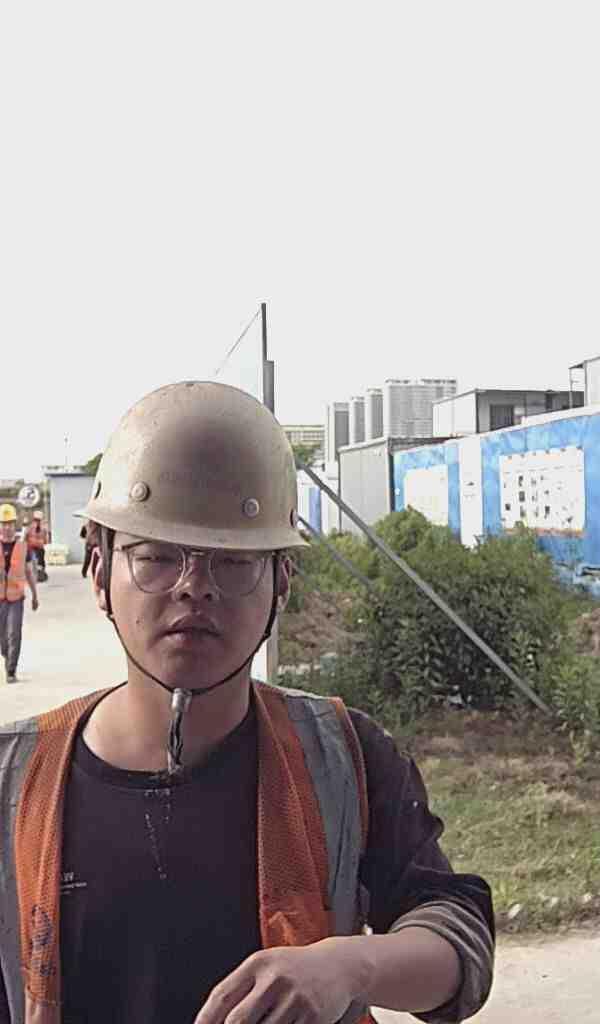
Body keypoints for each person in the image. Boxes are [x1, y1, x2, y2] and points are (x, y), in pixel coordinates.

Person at [0, 382, 494, 1024]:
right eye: (156, 557)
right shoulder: (15, 781)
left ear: (281, 583)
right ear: (99, 569)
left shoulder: (343, 757)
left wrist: (349, 967)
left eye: (232, 563)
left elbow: (460, 941)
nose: (194, 588)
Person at [0, 503, 39, 682]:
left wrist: (35, 595)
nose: (7, 527)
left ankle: (11, 670)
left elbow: (29, 572)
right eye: (3, 523)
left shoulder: (23, 546)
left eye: (9, 523)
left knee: (14, 633)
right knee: (3, 637)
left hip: (16, 598)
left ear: (14, 524)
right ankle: (7, 654)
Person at [26, 509, 49, 582]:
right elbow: (26, 537)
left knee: (39, 562)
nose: (37, 522)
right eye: (37, 520)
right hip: (34, 548)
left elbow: (46, 540)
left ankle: (39, 575)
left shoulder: (41, 528)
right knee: (36, 562)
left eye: (38, 520)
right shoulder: (31, 528)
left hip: (37, 548)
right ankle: (37, 575)